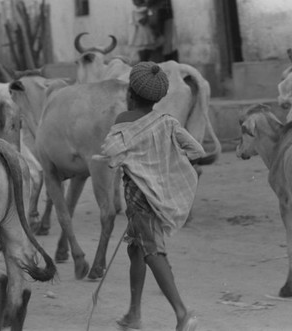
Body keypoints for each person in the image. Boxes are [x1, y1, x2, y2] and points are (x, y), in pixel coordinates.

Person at [94, 62, 203, 331]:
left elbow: (111, 153)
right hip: (159, 196)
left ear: (130, 93)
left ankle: (182, 313)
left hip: (139, 200)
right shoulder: (167, 122)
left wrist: (123, 160)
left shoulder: (123, 121)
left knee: (153, 252)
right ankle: (134, 313)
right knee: (136, 250)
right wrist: (165, 163)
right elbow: (197, 150)